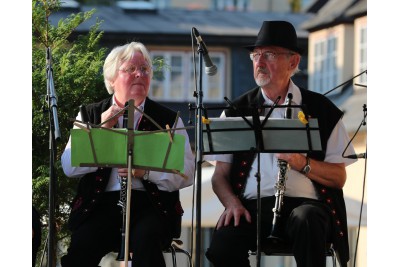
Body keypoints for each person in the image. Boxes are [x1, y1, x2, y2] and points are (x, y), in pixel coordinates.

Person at [204, 21, 357, 267]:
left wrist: (302, 163)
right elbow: (219, 175)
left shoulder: (322, 110)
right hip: (253, 208)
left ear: (293, 62)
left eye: (270, 54)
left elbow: (338, 178)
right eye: (256, 55)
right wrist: (231, 203)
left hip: (307, 207)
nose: (260, 61)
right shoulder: (236, 110)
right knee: (222, 246)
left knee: (307, 220)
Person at [60, 41, 195, 267]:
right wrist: (101, 129)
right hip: (100, 204)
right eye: (130, 69)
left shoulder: (169, 119)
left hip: (151, 205)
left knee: (146, 241)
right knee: (81, 249)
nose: (139, 74)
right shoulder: (90, 114)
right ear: (112, 79)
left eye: (144, 69)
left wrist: (145, 172)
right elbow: (69, 167)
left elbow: (187, 172)